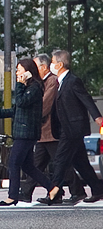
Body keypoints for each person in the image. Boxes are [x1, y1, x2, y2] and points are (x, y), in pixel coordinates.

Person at [0, 59, 60, 206]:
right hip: (24, 132)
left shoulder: (34, 88)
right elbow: (16, 110)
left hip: (26, 133)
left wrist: (20, 84)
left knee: (13, 163)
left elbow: (20, 102)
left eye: (19, 70)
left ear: (28, 72)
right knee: (28, 166)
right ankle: (52, 188)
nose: (16, 73)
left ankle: (12, 196)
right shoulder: (29, 88)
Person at [22, 54, 86, 204]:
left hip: (51, 130)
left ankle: (74, 191)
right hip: (43, 131)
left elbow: (44, 105)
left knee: (60, 163)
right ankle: (30, 192)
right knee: (39, 164)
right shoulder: (41, 82)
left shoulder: (51, 81)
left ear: (43, 67)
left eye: (36, 67)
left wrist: (31, 114)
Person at [47, 50, 103, 204]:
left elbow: (86, 99)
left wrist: (97, 117)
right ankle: (98, 190)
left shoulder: (72, 81)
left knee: (60, 159)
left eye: (52, 62)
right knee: (81, 162)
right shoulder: (61, 82)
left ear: (59, 64)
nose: (51, 65)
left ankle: (53, 192)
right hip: (66, 128)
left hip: (73, 128)